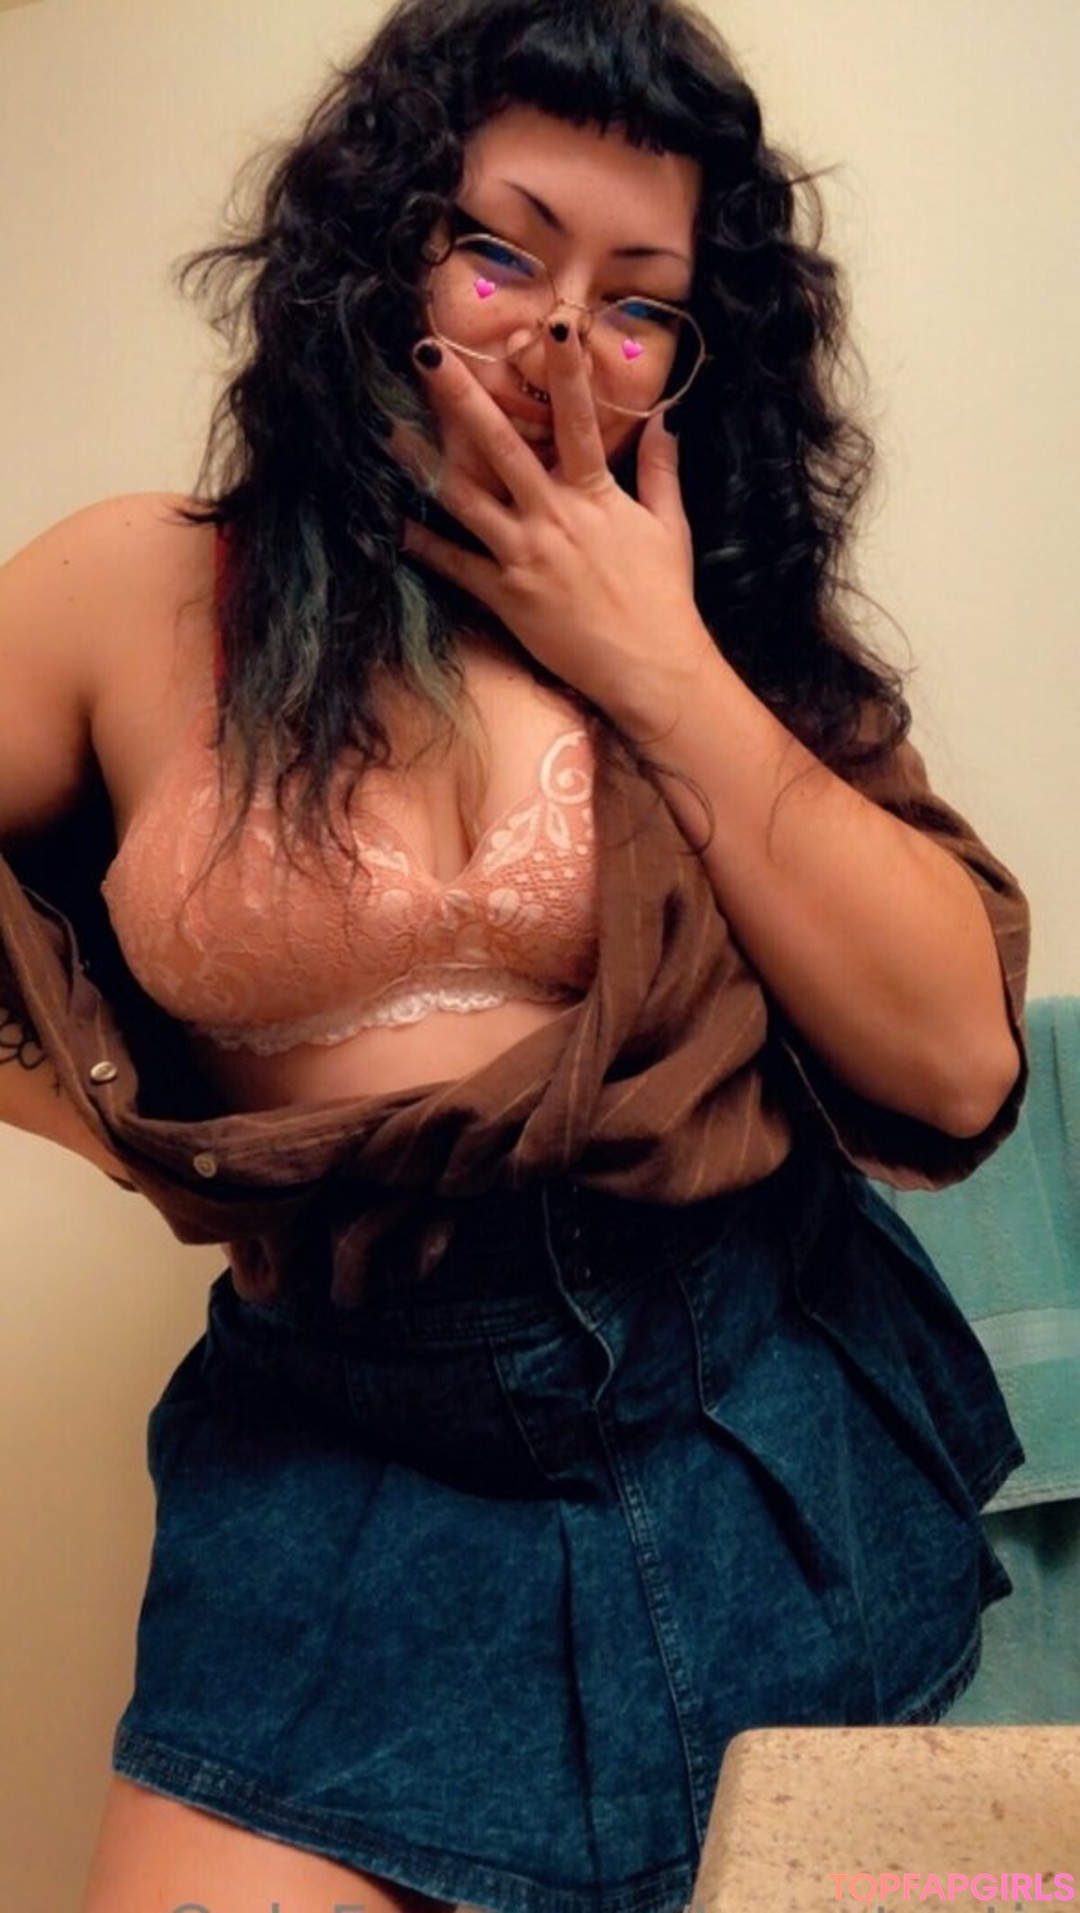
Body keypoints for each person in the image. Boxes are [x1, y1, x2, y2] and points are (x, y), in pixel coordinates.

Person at [0, 1, 1031, 1910]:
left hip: (736, 1421)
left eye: (637, 303)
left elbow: (959, 1065)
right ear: (377, 246)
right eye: (500, 250)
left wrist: (653, 656)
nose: (558, 332)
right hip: (337, 1453)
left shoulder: (734, 626)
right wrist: (89, 1101)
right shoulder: (137, 586)